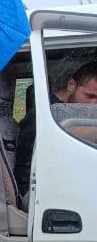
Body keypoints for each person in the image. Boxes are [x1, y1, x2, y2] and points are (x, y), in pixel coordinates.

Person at [13, 51, 97, 202]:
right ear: (72, 85)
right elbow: (25, 170)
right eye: (90, 96)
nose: (93, 106)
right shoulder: (45, 114)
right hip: (38, 194)